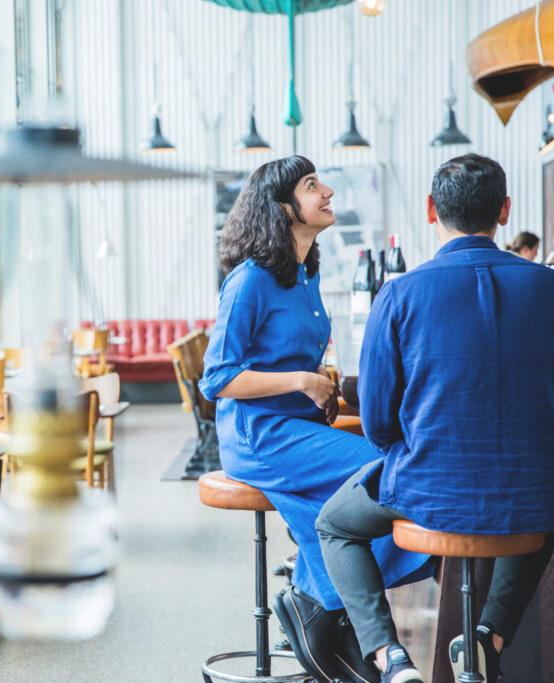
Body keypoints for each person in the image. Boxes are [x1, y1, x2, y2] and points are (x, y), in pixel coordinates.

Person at [315, 154, 554, 683]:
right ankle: (488, 637)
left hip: (427, 490)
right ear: (505, 211)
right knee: (542, 511)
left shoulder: (398, 294)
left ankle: (388, 657)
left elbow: (377, 423)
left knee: (333, 524)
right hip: (532, 489)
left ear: (431, 209)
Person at [199, 156, 431, 683]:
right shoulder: (250, 281)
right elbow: (217, 379)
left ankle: (317, 600)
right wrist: (302, 382)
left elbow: (286, 354)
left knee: (362, 493)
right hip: (257, 436)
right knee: (387, 472)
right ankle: (318, 600)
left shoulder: (305, 272)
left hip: (296, 427)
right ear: (284, 208)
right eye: (311, 185)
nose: (326, 191)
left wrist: (318, 377)